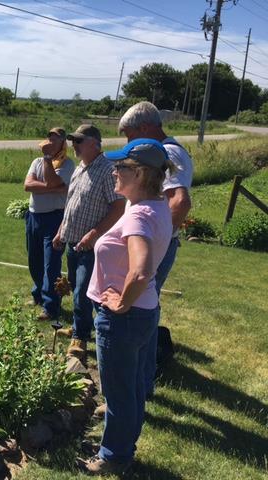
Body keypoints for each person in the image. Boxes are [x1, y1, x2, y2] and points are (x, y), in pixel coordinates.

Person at [80, 139, 173, 475]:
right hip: (145, 312)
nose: (114, 172)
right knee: (132, 387)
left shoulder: (139, 216)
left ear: (140, 173)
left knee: (119, 391)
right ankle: (123, 446)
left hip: (124, 318)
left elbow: (142, 269)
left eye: (120, 167)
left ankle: (113, 456)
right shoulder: (156, 206)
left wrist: (121, 302)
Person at [118, 101, 193, 397]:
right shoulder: (166, 150)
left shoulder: (168, 153)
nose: (129, 144)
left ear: (146, 128)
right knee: (144, 308)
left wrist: (154, 242)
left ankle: (141, 382)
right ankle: (141, 380)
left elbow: (180, 201)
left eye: (130, 136)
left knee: (140, 310)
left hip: (154, 248)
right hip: (153, 245)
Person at [52, 125, 125, 359]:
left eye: (79, 141)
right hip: (73, 242)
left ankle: (80, 339)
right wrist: (60, 231)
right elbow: (71, 204)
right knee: (76, 287)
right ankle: (79, 326)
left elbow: (119, 208)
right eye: (73, 141)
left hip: (92, 246)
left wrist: (93, 234)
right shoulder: (80, 168)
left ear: (95, 143)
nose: (74, 145)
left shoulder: (107, 170)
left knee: (83, 292)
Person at [24, 128, 75, 320]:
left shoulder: (67, 164)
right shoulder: (36, 162)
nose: (51, 143)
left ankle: (51, 306)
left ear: (63, 143)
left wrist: (47, 159)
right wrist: (52, 187)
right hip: (33, 217)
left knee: (51, 264)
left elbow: (53, 181)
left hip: (54, 218)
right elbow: (28, 185)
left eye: (56, 140)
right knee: (34, 260)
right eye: (49, 138)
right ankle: (38, 295)